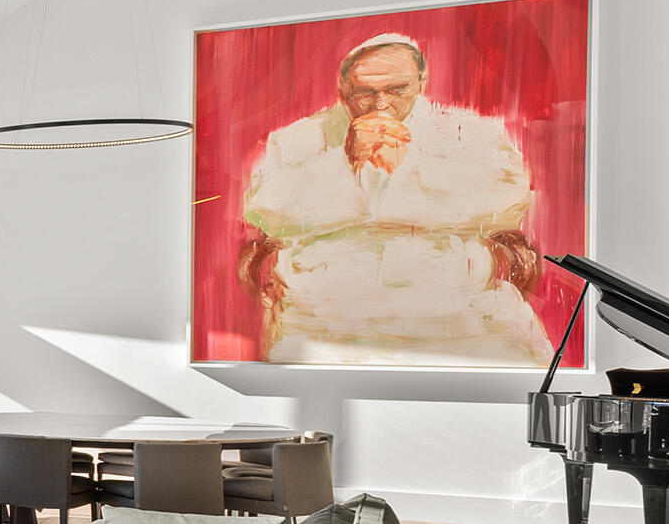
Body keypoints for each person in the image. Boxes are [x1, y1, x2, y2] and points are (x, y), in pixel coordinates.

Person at [235, 32, 551, 365]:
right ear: (344, 90)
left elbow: (508, 201)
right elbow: (265, 212)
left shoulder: (473, 133)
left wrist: (407, 170)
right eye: (365, 93)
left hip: (455, 304)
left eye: (396, 90)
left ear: (421, 81)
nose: (380, 104)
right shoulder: (293, 141)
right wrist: (347, 166)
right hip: (324, 310)